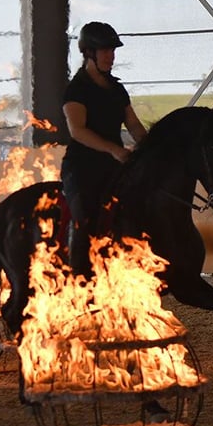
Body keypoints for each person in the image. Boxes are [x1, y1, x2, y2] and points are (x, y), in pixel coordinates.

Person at [61, 21, 147, 278]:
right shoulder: (76, 90)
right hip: (82, 168)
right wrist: (114, 150)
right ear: (89, 53)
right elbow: (78, 131)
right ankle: (77, 272)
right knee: (84, 215)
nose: (112, 56)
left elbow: (134, 125)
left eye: (113, 50)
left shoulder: (117, 89)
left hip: (114, 166)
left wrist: (152, 148)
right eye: (106, 50)